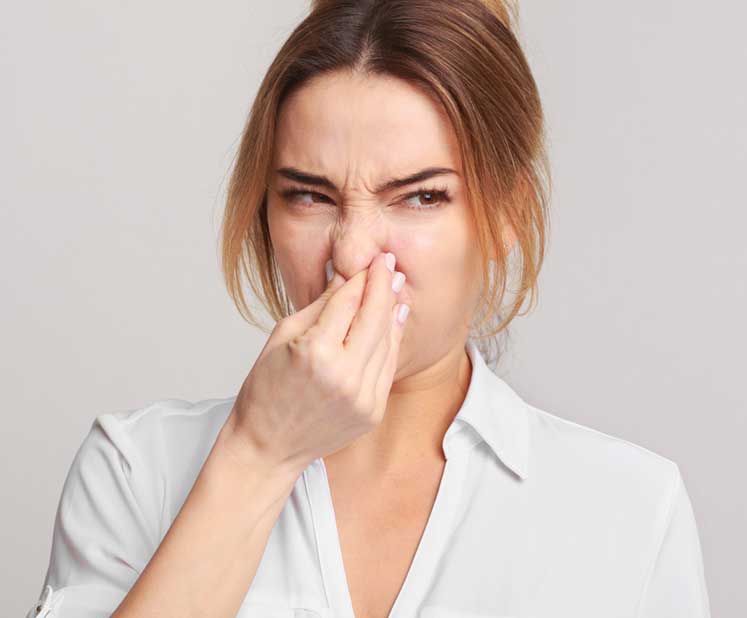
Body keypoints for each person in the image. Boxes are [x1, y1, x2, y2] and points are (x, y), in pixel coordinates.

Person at [27, 1, 712, 617]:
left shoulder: (628, 508)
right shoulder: (135, 470)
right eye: (307, 196)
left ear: (508, 214)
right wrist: (257, 457)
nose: (351, 255)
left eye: (419, 196)